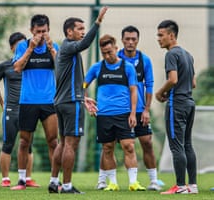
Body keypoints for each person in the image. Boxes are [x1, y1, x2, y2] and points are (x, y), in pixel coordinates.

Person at [47, 7, 108, 194]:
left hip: (65, 100)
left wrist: (84, 97)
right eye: (79, 28)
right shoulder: (70, 46)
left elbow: (69, 80)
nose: (82, 31)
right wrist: (97, 23)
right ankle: (66, 186)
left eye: (84, 28)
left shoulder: (65, 50)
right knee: (71, 144)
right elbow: (86, 44)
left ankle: (53, 181)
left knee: (63, 142)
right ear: (69, 32)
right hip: (70, 102)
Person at [84, 34, 147, 192]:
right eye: (104, 53)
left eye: (109, 52)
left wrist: (133, 113)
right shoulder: (97, 67)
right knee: (107, 148)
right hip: (104, 115)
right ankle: (112, 183)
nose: (107, 55)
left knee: (129, 146)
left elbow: (134, 91)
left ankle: (133, 182)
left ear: (116, 49)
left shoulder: (128, 67)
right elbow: (83, 85)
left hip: (123, 114)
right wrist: (86, 101)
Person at [11, 14, 59, 190]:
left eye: (44, 31)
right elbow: (16, 68)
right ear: (31, 31)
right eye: (38, 31)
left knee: (53, 141)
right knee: (24, 141)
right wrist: (30, 49)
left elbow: (61, 69)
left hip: (49, 101)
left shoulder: (53, 47)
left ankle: (55, 180)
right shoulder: (23, 46)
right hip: (28, 101)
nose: (41, 35)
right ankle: (22, 180)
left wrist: (52, 48)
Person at [115, 25, 161, 191]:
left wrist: (147, 109)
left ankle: (154, 181)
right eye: (127, 39)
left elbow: (149, 86)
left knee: (147, 142)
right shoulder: (115, 58)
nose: (130, 42)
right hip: (120, 110)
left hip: (140, 109)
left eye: (133, 39)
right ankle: (105, 181)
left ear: (138, 40)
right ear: (122, 40)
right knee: (110, 145)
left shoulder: (144, 60)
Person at [0, 32, 39, 188]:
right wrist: (2, 102)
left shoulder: (31, 65)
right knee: (8, 144)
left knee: (28, 145)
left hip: (28, 109)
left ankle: (27, 178)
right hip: (11, 109)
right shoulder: (5, 66)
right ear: (12, 48)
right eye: (18, 46)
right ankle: (5, 179)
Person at [155, 20, 198, 194]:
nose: (158, 39)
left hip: (177, 105)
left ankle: (180, 186)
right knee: (187, 144)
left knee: (176, 146)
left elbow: (173, 79)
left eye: (161, 35)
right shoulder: (188, 55)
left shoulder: (171, 54)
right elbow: (193, 83)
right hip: (189, 103)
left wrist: (160, 92)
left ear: (171, 36)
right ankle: (192, 186)